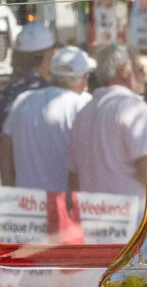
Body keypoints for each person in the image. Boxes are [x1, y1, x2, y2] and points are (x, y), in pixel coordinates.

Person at [71, 44, 147, 197]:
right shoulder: (133, 106)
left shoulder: (84, 112)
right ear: (124, 71)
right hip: (131, 210)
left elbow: (74, 177)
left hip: (91, 209)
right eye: (140, 69)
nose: (143, 75)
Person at [5, 45, 93, 190]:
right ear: (85, 78)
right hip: (65, 200)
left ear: (50, 74)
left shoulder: (23, 101)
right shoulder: (84, 105)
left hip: (26, 200)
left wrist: (9, 188)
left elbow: (5, 148)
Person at [0, 22, 58, 184]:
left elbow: (1, 142)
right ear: (46, 56)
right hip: (44, 179)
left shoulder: (4, 90)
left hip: (16, 180)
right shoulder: (45, 90)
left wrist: (7, 184)